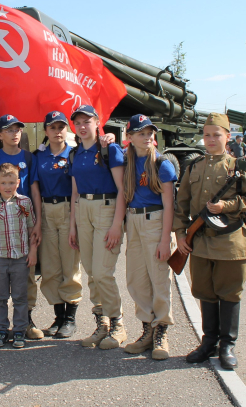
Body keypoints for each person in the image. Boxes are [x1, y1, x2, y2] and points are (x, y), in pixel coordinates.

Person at [174, 113, 246, 370]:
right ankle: (208, 342)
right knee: (204, 292)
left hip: (231, 242)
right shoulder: (193, 167)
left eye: (216, 135)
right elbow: (181, 206)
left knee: (230, 293)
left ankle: (227, 345)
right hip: (199, 242)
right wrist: (180, 235)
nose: (211, 139)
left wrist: (227, 205)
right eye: (207, 135)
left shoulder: (240, 167)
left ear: (228, 137)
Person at [0, 114, 43, 341]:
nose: (14, 133)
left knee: (25, 277)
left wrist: (38, 224)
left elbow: (34, 191)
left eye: (17, 129)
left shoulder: (28, 157)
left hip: (22, 218)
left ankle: (26, 322)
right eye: (9, 130)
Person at [69, 104, 127, 350]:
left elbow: (123, 189)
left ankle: (118, 324)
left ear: (97, 123)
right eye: (78, 123)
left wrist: (117, 225)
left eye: (87, 122)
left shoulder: (109, 149)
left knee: (103, 272)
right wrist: (73, 227)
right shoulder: (75, 154)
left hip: (106, 208)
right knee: (91, 272)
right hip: (83, 210)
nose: (82, 127)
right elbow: (74, 193)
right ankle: (101, 323)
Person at [122, 114, 178, 360]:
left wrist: (166, 239)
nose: (147, 138)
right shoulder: (127, 161)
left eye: (149, 133)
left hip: (155, 222)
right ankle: (146, 330)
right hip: (133, 221)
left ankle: (161, 332)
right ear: (130, 137)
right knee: (137, 278)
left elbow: (169, 204)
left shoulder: (162, 164)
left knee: (159, 278)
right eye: (141, 133)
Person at [34, 111, 82, 338]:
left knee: (69, 264)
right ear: (46, 131)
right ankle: (58, 316)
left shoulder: (74, 154)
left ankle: (71, 317)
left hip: (67, 209)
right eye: (52, 127)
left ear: (67, 129)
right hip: (45, 210)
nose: (57, 131)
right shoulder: (38, 156)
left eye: (61, 127)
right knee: (50, 267)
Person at [0, 163, 38, 349]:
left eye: (12, 182)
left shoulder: (25, 202)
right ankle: (0, 329)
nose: (8, 186)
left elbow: (31, 229)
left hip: (20, 258)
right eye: (4, 182)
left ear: (18, 183)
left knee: (20, 296)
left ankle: (20, 330)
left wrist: (33, 252)